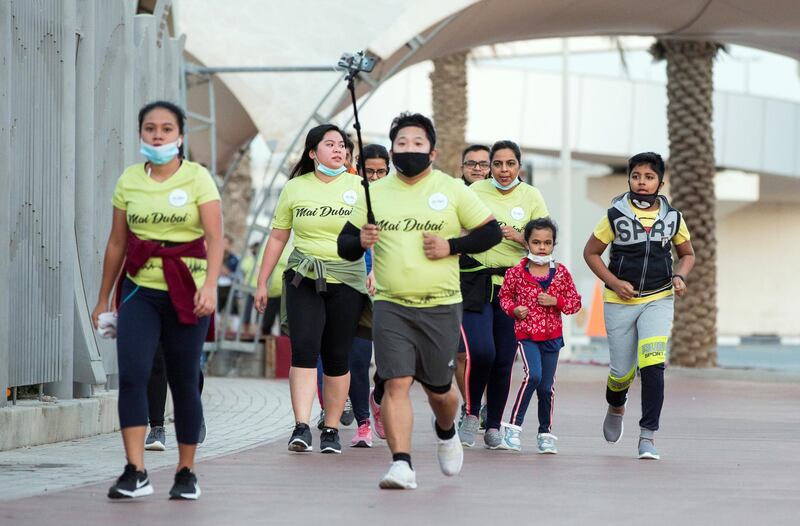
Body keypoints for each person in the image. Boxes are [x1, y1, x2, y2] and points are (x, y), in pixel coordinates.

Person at [338, 112, 502, 489]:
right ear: (392, 149)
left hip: (441, 304)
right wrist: (359, 241)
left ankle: (447, 430)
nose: (408, 150)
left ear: (433, 151)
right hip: (391, 304)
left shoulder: (452, 190)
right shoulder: (372, 193)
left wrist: (452, 246)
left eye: (417, 144)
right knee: (395, 382)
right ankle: (401, 464)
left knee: (439, 390)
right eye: (401, 144)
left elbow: (490, 233)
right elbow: (344, 245)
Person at [92, 100, 222, 500]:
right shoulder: (129, 181)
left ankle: (186, 472)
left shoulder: (198, 179)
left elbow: (216, 238)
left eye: (167, 129)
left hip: (188, 290)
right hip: (139, 290)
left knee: (184, 379)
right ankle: (135, 470)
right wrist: (103, 300)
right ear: (141, 134)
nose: (158, 135)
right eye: (151, 129)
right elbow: (117, 242)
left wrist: (211, 286)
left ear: (180, 136)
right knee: (133, 374)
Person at [254, 124, 367, 455]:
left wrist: (376, 273)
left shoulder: (360, 187)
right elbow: (278, 236)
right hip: (303, 277)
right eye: (329, 144)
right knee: (303, 349)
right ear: (312, 152)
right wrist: (262, 282)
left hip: (347, 279)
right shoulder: (294, 187)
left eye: (342, 145)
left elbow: (374, 234)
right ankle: (301, 425)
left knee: (337, 356)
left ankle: (331, 428)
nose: (338, 149)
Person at [583, 152, 695, 460]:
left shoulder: (673, 217)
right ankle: (616, 406)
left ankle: (648, 436)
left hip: (658, 298)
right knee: (621, 373)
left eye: (648, 177)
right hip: (619, 301)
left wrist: (679, 276)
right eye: (636, 177)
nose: (642, 183)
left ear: (660, 181)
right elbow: (591, 253)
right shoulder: (614, 215)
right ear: (629, 179)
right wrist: (615, 282)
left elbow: (687, 254)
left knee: (653, 364)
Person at [458, 140, 549, 449]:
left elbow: (544, 242)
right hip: (475, 282)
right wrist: (482, 233)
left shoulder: (532, 196)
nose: (504, 170)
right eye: (497, 164)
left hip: (515, 286)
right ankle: (471, 413)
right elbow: (456, 231)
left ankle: (493, 425)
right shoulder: (474, 193)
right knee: (481, 352)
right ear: (490, 167)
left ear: (519, 166)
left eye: (510, 164)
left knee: (503, 359)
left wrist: (519, 236)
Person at [498, 218, 581, 453]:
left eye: (547, 242)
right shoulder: (516, 273)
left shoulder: (561, 273)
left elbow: (575, 303)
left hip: (552, 337)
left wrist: (557, 301)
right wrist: (514, 310)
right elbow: (504, 298)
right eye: (536, 242)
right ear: (527, 243)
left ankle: (545, 432)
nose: (542, 247)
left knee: (546, 387)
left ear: (554, 244)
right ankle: (513, 428)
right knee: (533, 376)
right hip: (526, 335)